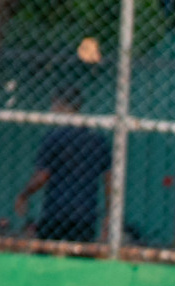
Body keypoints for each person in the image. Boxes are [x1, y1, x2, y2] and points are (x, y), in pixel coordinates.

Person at [16, 87, 111, 243]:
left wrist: (24, 194)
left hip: (56, 211)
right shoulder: (96, 139)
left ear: (61, 106)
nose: (52, 110)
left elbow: (42, 176)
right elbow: (109, 179)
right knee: (80, 256)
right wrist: (109, 212)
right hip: (85, 213)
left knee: (47, 254)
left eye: (54, 106)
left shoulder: (53, 138)